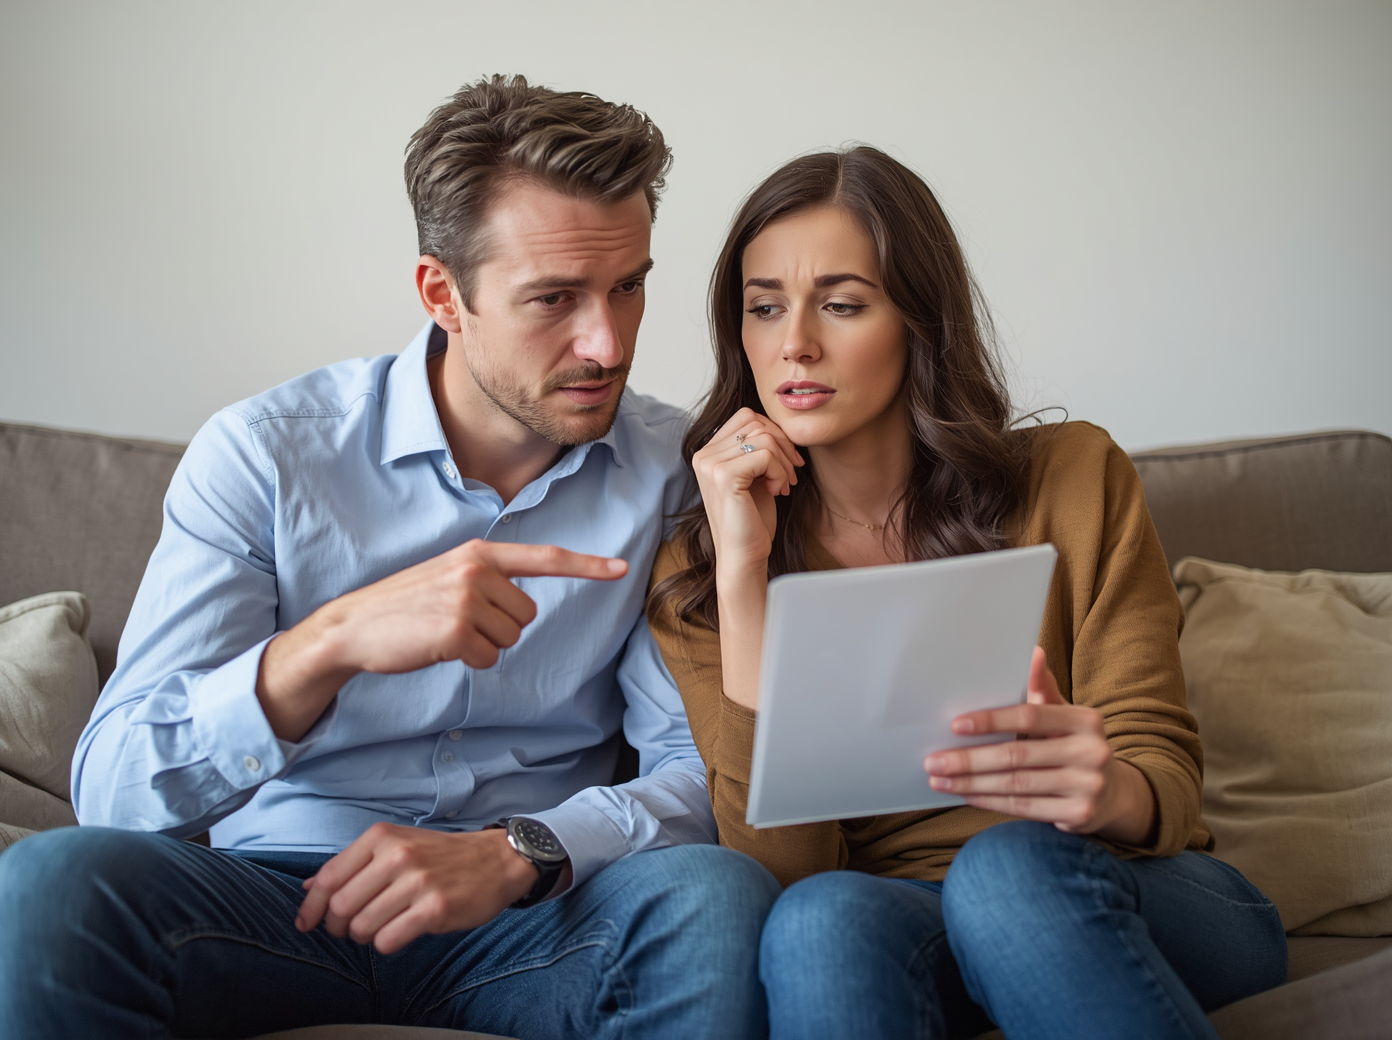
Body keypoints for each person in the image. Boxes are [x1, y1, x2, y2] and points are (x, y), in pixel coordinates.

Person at [0, 75, 780, 1040]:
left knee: (715, 896)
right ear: (442, 294)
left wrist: (522, 849)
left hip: (534, 913)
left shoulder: (675, 471)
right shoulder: (266, 454)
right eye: (554, 298)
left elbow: (696, 777)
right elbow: (113, 794)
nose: (607, 341)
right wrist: (329, 641)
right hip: (266, 900)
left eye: (629, 286)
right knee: (52, 883)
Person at [645, 145, 1288, 1040]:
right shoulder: (699, 568)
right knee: (815, 920)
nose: (794, 342)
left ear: (919, 318)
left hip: (1136, 891)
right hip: (909, 917)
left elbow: (1164, 772)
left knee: (1005, 871)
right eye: (763, 308)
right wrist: (744, 573)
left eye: (841, 303)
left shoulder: (1074, 477)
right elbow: (783, 869)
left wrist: (1108, 789)